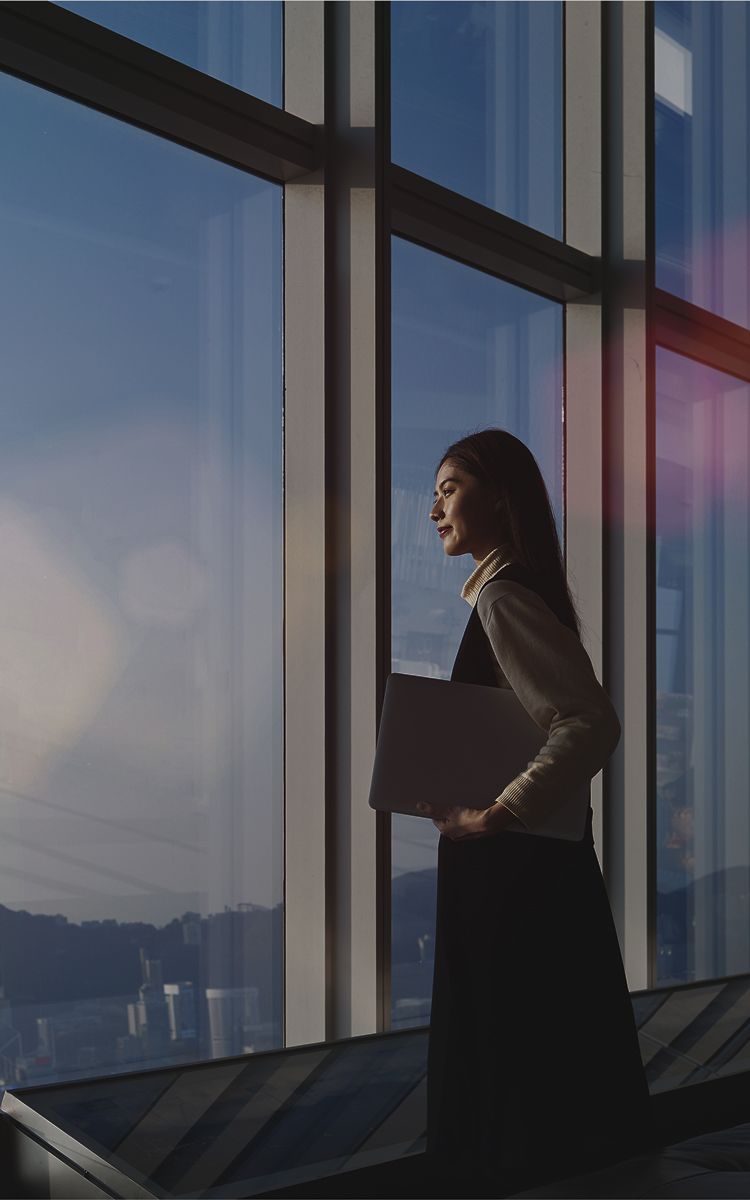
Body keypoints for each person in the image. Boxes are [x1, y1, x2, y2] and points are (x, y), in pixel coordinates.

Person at [417, 429, 655, 1195]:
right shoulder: (512, 590)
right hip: (530, 872)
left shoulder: (501, 595)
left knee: (511, 1072)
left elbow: (588, 723)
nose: (434, 510)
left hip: (511, 880)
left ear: (500, 497)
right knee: (553, 1079)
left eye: (449, 487)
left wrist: (496, 816)